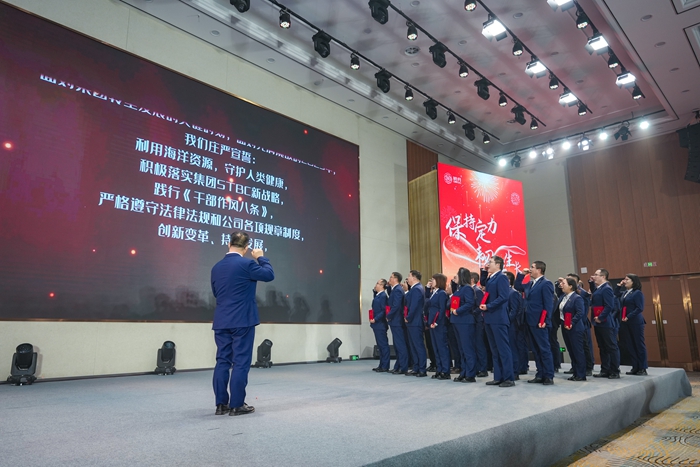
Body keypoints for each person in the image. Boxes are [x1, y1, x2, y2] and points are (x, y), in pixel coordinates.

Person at [211, 231, 274, 416]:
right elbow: (269, 275)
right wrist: (261, 257)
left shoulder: (216, 267)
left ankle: (221, 404)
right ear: (246, 248)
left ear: (228, 244)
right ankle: (237, 404)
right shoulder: (247, 264)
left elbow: (216, 292)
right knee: (240, 362)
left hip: (221, 320)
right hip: (242, 320)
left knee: (222, 361)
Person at [515, 261, 555, 385]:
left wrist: (544, 320)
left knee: (544, 349)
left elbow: (548, 304)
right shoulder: (531, 283)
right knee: (536, 349)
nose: (530, 269)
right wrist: (522, 274)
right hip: (529, 320)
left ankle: (548, 375)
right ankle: (540, 373)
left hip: (539, 321)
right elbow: (518, 286)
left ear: (539, 270)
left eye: (532, 267)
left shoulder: (546, 283)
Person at [479, 256, 515, 387]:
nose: (488, 264)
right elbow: (483, 283)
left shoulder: (502, 277)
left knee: (503, 349)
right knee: (494, 350)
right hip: (489, 318)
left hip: (498, 318)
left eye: (490, 262)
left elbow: (503, 297)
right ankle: (498, 377)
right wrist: (484, 271)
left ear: (498, 265)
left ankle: (508, 378)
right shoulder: (491, 278)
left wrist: (489, 306)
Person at [589, 268, 621, 379]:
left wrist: (601, 317)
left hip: (605, 322)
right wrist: (591, 282)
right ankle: (605, 369)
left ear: (603, 277)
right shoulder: (599, 288)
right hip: (598, 322)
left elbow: (609, 306)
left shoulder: (606, 288)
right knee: (602, 347)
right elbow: (594, 294)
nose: (594, 276)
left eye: (596, 275)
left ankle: (614, 370)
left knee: (611, 346)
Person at [615, 273, 648, 376]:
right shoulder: (625, 293)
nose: (625, 281)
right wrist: (619, 285)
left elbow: (639, 308)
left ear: (633, 282)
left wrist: (628, 316)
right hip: (625, 322)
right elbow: (616, 294)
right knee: (630, 345)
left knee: (638, 344)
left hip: (635, 322)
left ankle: (642, 367)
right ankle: (635, 366)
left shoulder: (637, 293)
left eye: (627, 279)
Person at [557, 277, 587, 381]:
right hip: (565, 326)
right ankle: (575, 372)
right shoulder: (563, 297)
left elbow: (580, 313)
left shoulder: (576, 298)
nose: (561, 285)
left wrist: (571, 322)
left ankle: (581, 374)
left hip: (575, 327)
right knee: (571, 350)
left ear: (570, 286)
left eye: (564, 283)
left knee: (577, 351)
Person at [450, 268, 477, 382]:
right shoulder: (459, 288)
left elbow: (470, 303)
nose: (455, 277)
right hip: (457, 321)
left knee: (467, 348)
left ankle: (470, 374)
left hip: (465, 321)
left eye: (457, 275)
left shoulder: (467, 288)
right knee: (461, 349)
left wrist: (458, 310)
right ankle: (464, 372)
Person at [426, 274, 450, 380]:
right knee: (435, 347)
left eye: (433, 279)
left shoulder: (442, 293)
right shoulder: (433, 292)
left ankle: (445, 371)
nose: (432, 281)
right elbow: (426, 302)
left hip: (438, 323)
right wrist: (427, 289)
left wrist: (436, 322)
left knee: (441, 347)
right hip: (431, 323)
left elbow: (442, 309)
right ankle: (439, 369)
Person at [404, 270, 427, 377]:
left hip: (415, 321)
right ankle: (416, 367)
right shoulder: (413, 289)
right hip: (412, 322)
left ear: (414, 277)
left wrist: (408, 317)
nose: (407, 278)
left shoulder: (417, 289)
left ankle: (422, 369)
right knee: (413, 346)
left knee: (418, 346)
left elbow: (414, 306)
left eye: (409, 276)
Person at [387, 272, 409, 375]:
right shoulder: (394, 289)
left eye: (391, 277)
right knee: (397, 345)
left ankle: (403, 367)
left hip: (397, 320)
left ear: (396, 279)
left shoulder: (398, 290)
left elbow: (396, 306)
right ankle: (398, 365)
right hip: (394, 321)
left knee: (400, 345)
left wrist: (389, 315)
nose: (389, 279)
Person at [504, 271, 523, 380]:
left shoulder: (513, 293)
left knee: (512, 348)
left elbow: (514, 310)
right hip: (502, 324)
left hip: (510, 324)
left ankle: (515, 371)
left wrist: (506, 320)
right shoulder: (503, 292)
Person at [471, 272, 489, 378]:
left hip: (478, 321)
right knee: (474, 344)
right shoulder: (471, 290)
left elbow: (480, 306)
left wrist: (472, 313)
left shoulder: (477, 291)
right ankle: (477, 367)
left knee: (479, 345)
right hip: (473, 321)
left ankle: (483, 368)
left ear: (472, 279)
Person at [370, 279, 390, 372]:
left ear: (382, 286)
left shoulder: (383, 296)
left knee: (383, 345)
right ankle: (381, 364)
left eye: (378, 283)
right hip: (376, 324)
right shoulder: (378, 295)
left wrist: (376, 318)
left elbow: (383, 310)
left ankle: (385, 365)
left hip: (380, 323)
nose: (376, 285)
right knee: (380, 345)